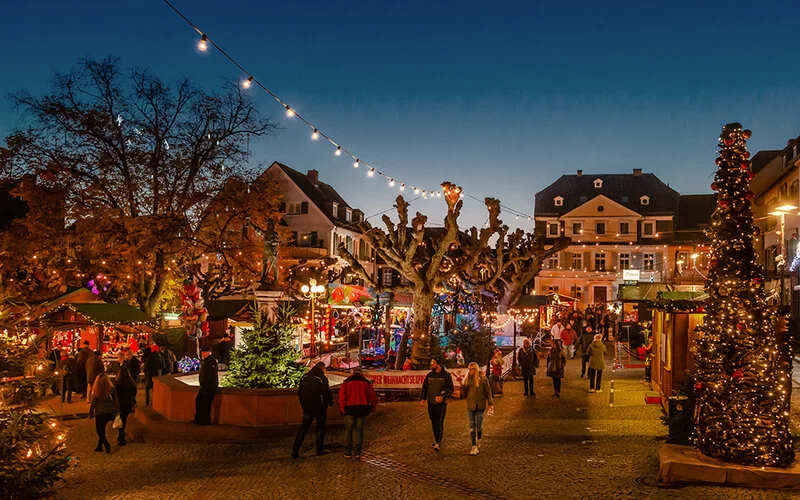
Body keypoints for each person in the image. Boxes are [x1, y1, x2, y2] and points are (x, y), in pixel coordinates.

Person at [292, 362, 334, 458]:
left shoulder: (305, 377)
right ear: (322, 368)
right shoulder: (321, 378)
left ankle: (295, 450)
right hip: (319, 407)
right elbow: (326, 392)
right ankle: (319, 450)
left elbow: (300, 392)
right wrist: (330, 402)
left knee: (304, 428)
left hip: (307, 407)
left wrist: (303, 403)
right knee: (320, 428)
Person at [338, 367, 378, 459]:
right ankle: (357, 452)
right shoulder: (366, 383)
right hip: (362, 409)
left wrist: (342, 409)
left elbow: (342, 397)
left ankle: (348, 451)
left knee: (349, 431)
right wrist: (372, 408)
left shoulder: (347, 382)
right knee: (359, 431)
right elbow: (372, 398)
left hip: (349, 409)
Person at [420, 358, 454, 451]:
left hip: (441, 404)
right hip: (431, 403)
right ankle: (436, 440)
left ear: (438, 364)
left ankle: (438, 441)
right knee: (433, 422)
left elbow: (450, 389)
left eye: (433, 362)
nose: (431, 364)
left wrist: (443, 396)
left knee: (439, 422)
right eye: (431, 362)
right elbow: (425, 387)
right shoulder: (429, 375)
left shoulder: (446, 375)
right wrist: (423, 398)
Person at [461, 362, 493, 455]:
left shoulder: (483, 379)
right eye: (469, 369)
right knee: (472, 425)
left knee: (478, 424)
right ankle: (474, 446)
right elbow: (465, 392)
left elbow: (488, 391)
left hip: (480, 405)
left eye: (471, 369)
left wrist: (490, 404)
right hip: (471, 405)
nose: (470, 371)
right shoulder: (468, 380)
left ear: (475, 370)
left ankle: (479, 437)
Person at [89, 372, 117, 454]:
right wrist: (117, 410)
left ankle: (106, 444)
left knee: (99, 430)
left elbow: (94, 402)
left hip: (100, 412)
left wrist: (91, 412)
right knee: (102, 429)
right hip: (109, 411)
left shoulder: (97, 389)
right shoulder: (111, 388)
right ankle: (99, 446)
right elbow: (116, 400)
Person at [194, 346, 219, 425]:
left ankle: (205, 420)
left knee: (206, 404)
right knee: (199, 401)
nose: (202, 354)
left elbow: (211, 375)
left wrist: (208, 385)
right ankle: (198, 419)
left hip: (209, 387)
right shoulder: (205, 361)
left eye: (203, 352)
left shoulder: (211, 361)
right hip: (204, 386)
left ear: (208, 353)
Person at [114, 365, 138, 446]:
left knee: (121, 419)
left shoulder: (117, 382)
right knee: (124, 419)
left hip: (120, 403)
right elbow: (134, 392)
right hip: (128, 404)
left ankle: (121, 436)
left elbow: (115, 393)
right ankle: (121, 436)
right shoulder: (131, 382)